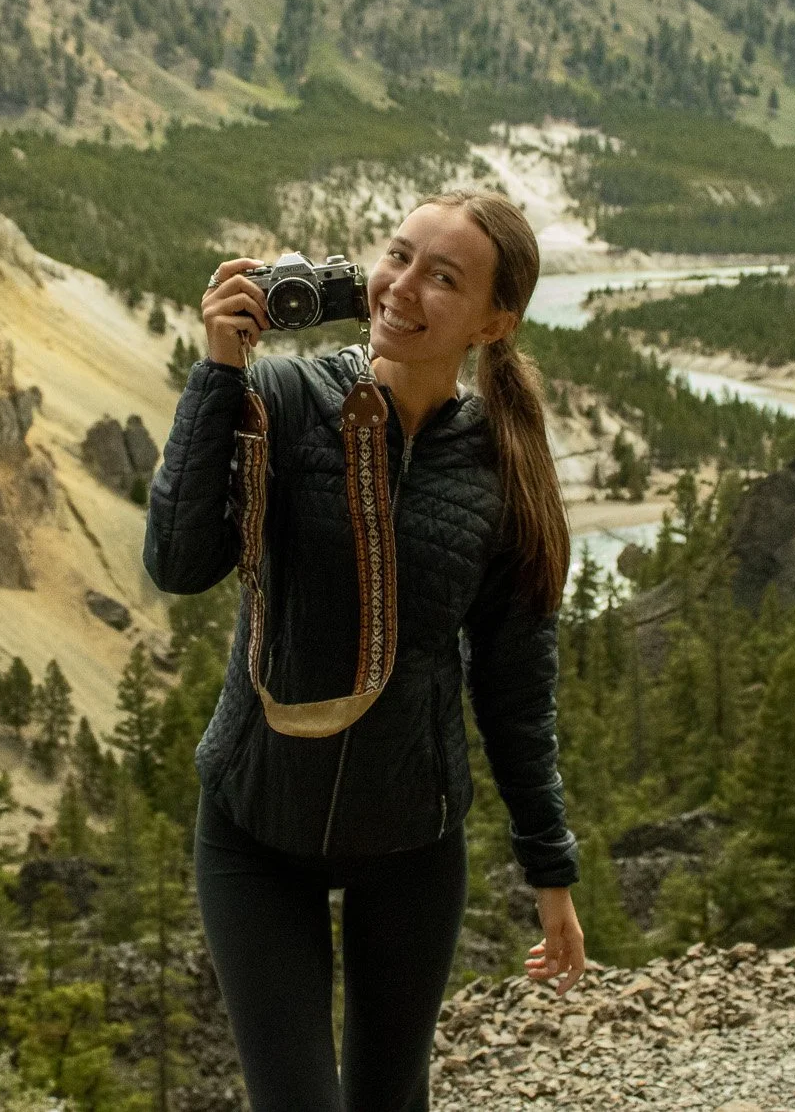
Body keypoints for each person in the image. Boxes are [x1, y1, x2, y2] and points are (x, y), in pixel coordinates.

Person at [143, 188, 587, 1112]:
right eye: (398, 255)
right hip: (255, 826)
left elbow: (515, 688)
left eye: (444, 277)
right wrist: (219, 374)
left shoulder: (500, 467)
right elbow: (179, 563)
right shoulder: (283, 399)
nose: (401, 287)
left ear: (494, 322)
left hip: (411, 842)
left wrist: (551, 871)